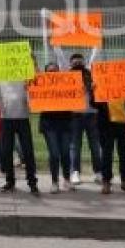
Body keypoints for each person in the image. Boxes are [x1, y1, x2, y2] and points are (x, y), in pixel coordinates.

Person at [56, 48, 103, 186]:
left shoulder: (90, 73)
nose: (77, 61)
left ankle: (98, 172)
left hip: (92, 115)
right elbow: (60, 57)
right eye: (74, 60)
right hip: (75, 115)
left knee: (95, 145)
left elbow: (95, 56)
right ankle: (74, 172)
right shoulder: (68, 75)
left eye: (80, 59)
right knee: (75, 146)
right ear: (70, 64)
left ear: (84, 62)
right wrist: (56, 44)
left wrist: (96, 43)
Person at [0, 61, 39, 195]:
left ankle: (32, 182)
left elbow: (37, 78)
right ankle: (10, 181)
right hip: (6, 118)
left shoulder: (25, 75)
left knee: (28, 151)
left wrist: (33, 61)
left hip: (23, 117)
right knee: (6, 151)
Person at [38, 61, 75, 193]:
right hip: (49, 124)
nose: (52, 73)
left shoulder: (66, 84)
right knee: (54, 154)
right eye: (49, 71)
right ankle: (54, 182)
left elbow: (76, 97)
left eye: (55, 71)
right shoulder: (41, 85)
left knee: (65, 153)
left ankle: (66, 180)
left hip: (65, 123)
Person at [96, 95, 125, 195]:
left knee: (124, 154)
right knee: (107, 154)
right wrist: (95, 92)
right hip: (107, 124)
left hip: (124, 123)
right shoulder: (102, 83)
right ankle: (106, 182)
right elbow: (94, 104)